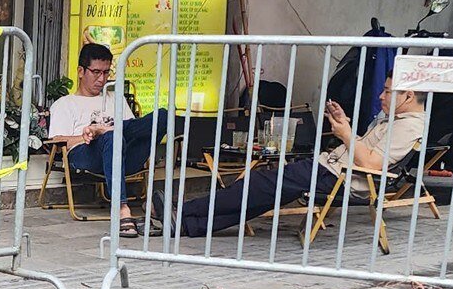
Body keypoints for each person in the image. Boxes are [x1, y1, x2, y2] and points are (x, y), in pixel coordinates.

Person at [170, 77, 426, 237]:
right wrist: (343, 124)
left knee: (259, 184)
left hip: (343, 179)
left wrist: (346, 134)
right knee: (266, 193)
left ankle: (182, 212)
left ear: (408, 96)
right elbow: (366, 151)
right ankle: (191, 225)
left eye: (388, 91)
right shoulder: (392, 119)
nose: (381, 96)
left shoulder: (409, 126)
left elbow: (371, 164)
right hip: (331, 168)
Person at [48, 42, 171, 236]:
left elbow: (134, 130)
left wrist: (104, 130)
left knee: (164, 115)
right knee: (112, 136)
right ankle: (122, 208)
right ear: (81, 71)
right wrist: (87, 135)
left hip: (123, 154)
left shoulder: (116, 99)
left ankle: (105, 131)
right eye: (96, 72)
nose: (101, 78)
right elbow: (57, 140)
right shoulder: (65, 104)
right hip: (87, 154)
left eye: (106, 73)